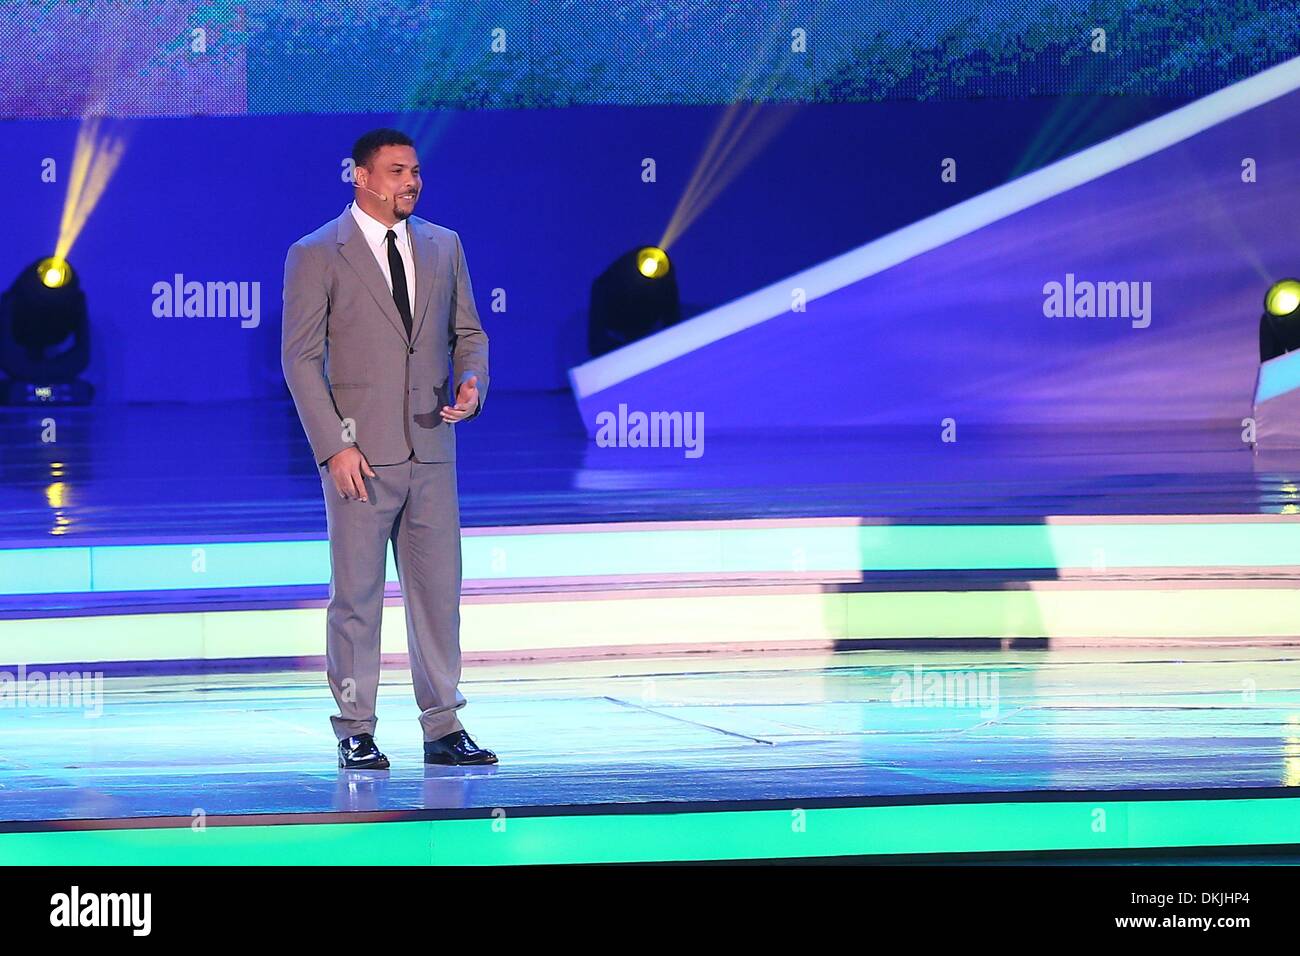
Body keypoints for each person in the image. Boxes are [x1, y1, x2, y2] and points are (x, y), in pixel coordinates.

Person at [281, 128, 495, 769]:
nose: (412, 182)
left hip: (431, 449)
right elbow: (299, 359)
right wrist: (332, 448)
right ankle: (355, 727)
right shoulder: (317, 252)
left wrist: (472, 382)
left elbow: (470, 334)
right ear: (363, 177)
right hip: (359, 456)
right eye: (398, 171)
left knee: (438, 593)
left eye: (416, 171)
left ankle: (443, 726)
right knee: (356, 597)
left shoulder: (443, 245)